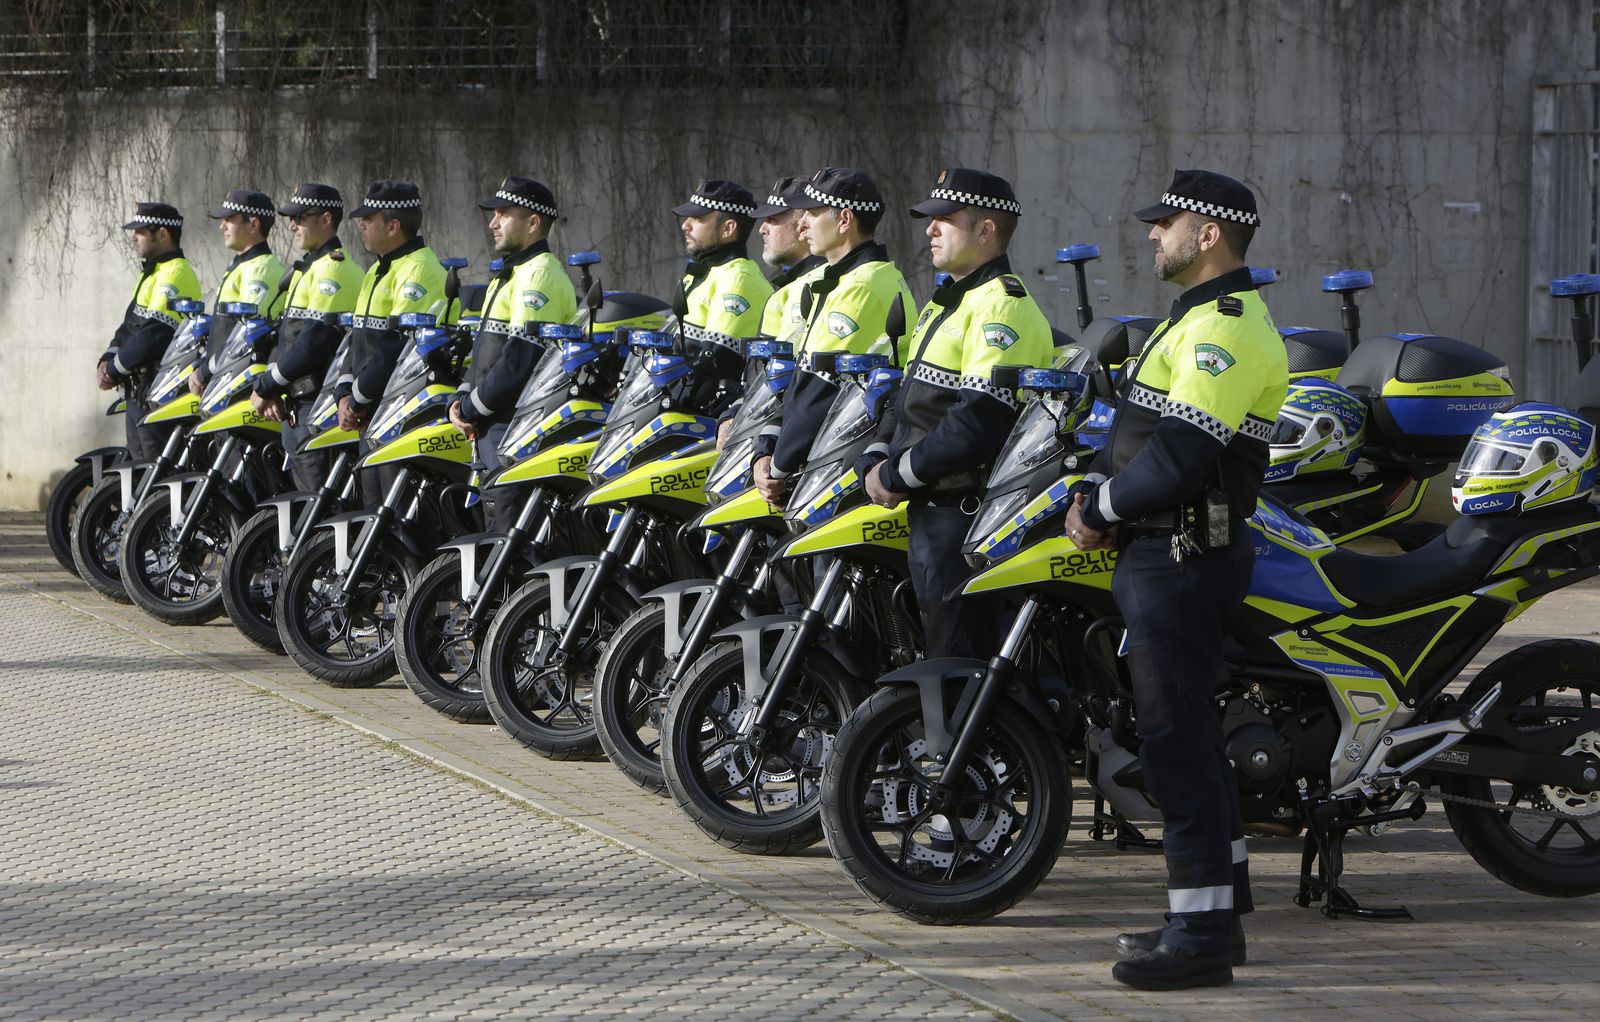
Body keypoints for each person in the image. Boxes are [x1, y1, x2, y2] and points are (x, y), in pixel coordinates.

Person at [1064, 169, 1289, 991]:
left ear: (1211, 235)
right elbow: (1135, 431)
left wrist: (1103, 505)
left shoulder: (1226, 327)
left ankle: (1201, 940)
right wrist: (1094, 488)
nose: (1152, 235)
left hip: (1185, 555)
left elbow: (1183, 456)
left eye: (1168, 224)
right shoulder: (1191, 320)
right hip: (1161, 552)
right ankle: (1210, 910)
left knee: (1179, 745)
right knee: (1185, 739)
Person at [858, 168, 1053, 659]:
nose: (930, 229)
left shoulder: (1001, 307)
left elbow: (976, 425)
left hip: (963, 512)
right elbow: (908, 399)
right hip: (932, 505)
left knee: (960, 660)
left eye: (945, 219)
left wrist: (896, 474)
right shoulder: (948, 300)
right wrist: (878, 451)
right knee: (939, 648)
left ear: (986, 230)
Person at [752, 167, 914, 506]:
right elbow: (799, 378)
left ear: (844, 219)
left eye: (812, 213)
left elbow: (818, 388)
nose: (801, 223)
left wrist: (778, 468)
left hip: (844, 463)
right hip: (831, 455)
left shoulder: (861, 287)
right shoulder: (843, 279)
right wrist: (767, 445)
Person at [448, 176, 578, 531]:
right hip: (494, 424)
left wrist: (470, 408)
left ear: (533, 222)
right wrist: (460, 397)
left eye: (503, 214)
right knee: (495, 531)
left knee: (512, 540)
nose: (492, 223)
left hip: (514, 427)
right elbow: (485, 354)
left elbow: (520, 362)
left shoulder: (540, 275)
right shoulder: (512, 274)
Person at [336, 180, 447, 502]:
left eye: (369, 219)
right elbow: (355, 343)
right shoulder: (377, 271)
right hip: (369, 414)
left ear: (393, 225)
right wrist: (344, 394)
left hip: (398, 416)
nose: (361, 225)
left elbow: (395, 350)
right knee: (375, 513)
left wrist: (356, 400)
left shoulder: (420, 269)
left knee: (399, 517)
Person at [250, 183, 364, 490]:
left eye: (300, 217)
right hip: (299, 404)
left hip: (319, 406)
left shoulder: (333, 269)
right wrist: (274, 387)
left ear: (325, 219)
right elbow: (285, 338)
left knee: (321, 508)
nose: (291, 225)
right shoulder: (308, 269)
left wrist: (269, 384)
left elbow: (316, 342)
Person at [715, 175, 827, 449]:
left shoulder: (821, 286)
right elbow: (762, 376)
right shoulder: (789, 286)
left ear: (802, 223)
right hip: (762, 432)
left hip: (788, 442)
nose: (762, 229)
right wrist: (733, 411)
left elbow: (797, 382)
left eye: (774, 219)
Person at [97, 202, 203, 461]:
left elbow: (155, 334)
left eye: (141, 231)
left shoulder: (176, 273)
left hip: (156, 390)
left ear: (163, 234)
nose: (133, 236)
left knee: (157, 473)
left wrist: (113, 369)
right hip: (139, 390)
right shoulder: (153, 272)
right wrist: (106, 359)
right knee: (142, 471)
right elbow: (129, 326)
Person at [190, 189, 287, 395]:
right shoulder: (243, 265)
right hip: (224, 379)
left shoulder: (260, 269)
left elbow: (247, 339)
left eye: (229, 219)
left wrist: (206, 370)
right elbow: (225, 330)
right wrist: (203, 363)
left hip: (240, 385)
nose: (221, 225)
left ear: (254, 224)